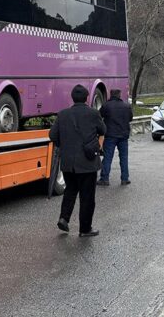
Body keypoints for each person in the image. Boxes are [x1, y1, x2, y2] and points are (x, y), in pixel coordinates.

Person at [50, 84, 106, 237]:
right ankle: (85, 229)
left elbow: (52, 136)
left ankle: (64, 218)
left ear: (72, 98)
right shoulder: (93, 113)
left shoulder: (62, 115)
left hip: (68, 163)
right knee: (87, 197)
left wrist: (66, 145)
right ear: (87, 98)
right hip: (87, 162)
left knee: (70, 190)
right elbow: (103, 130)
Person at [99, 89, 133, 186]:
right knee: (124, 157)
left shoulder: (106, 105)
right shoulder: (126, 106)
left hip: (110, 135)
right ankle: (125, 179)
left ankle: (104, 179)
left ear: (110, 94)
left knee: (107, 157)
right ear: (119, 95)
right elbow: (130, 118)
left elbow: (99, 116)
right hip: (123, 135)